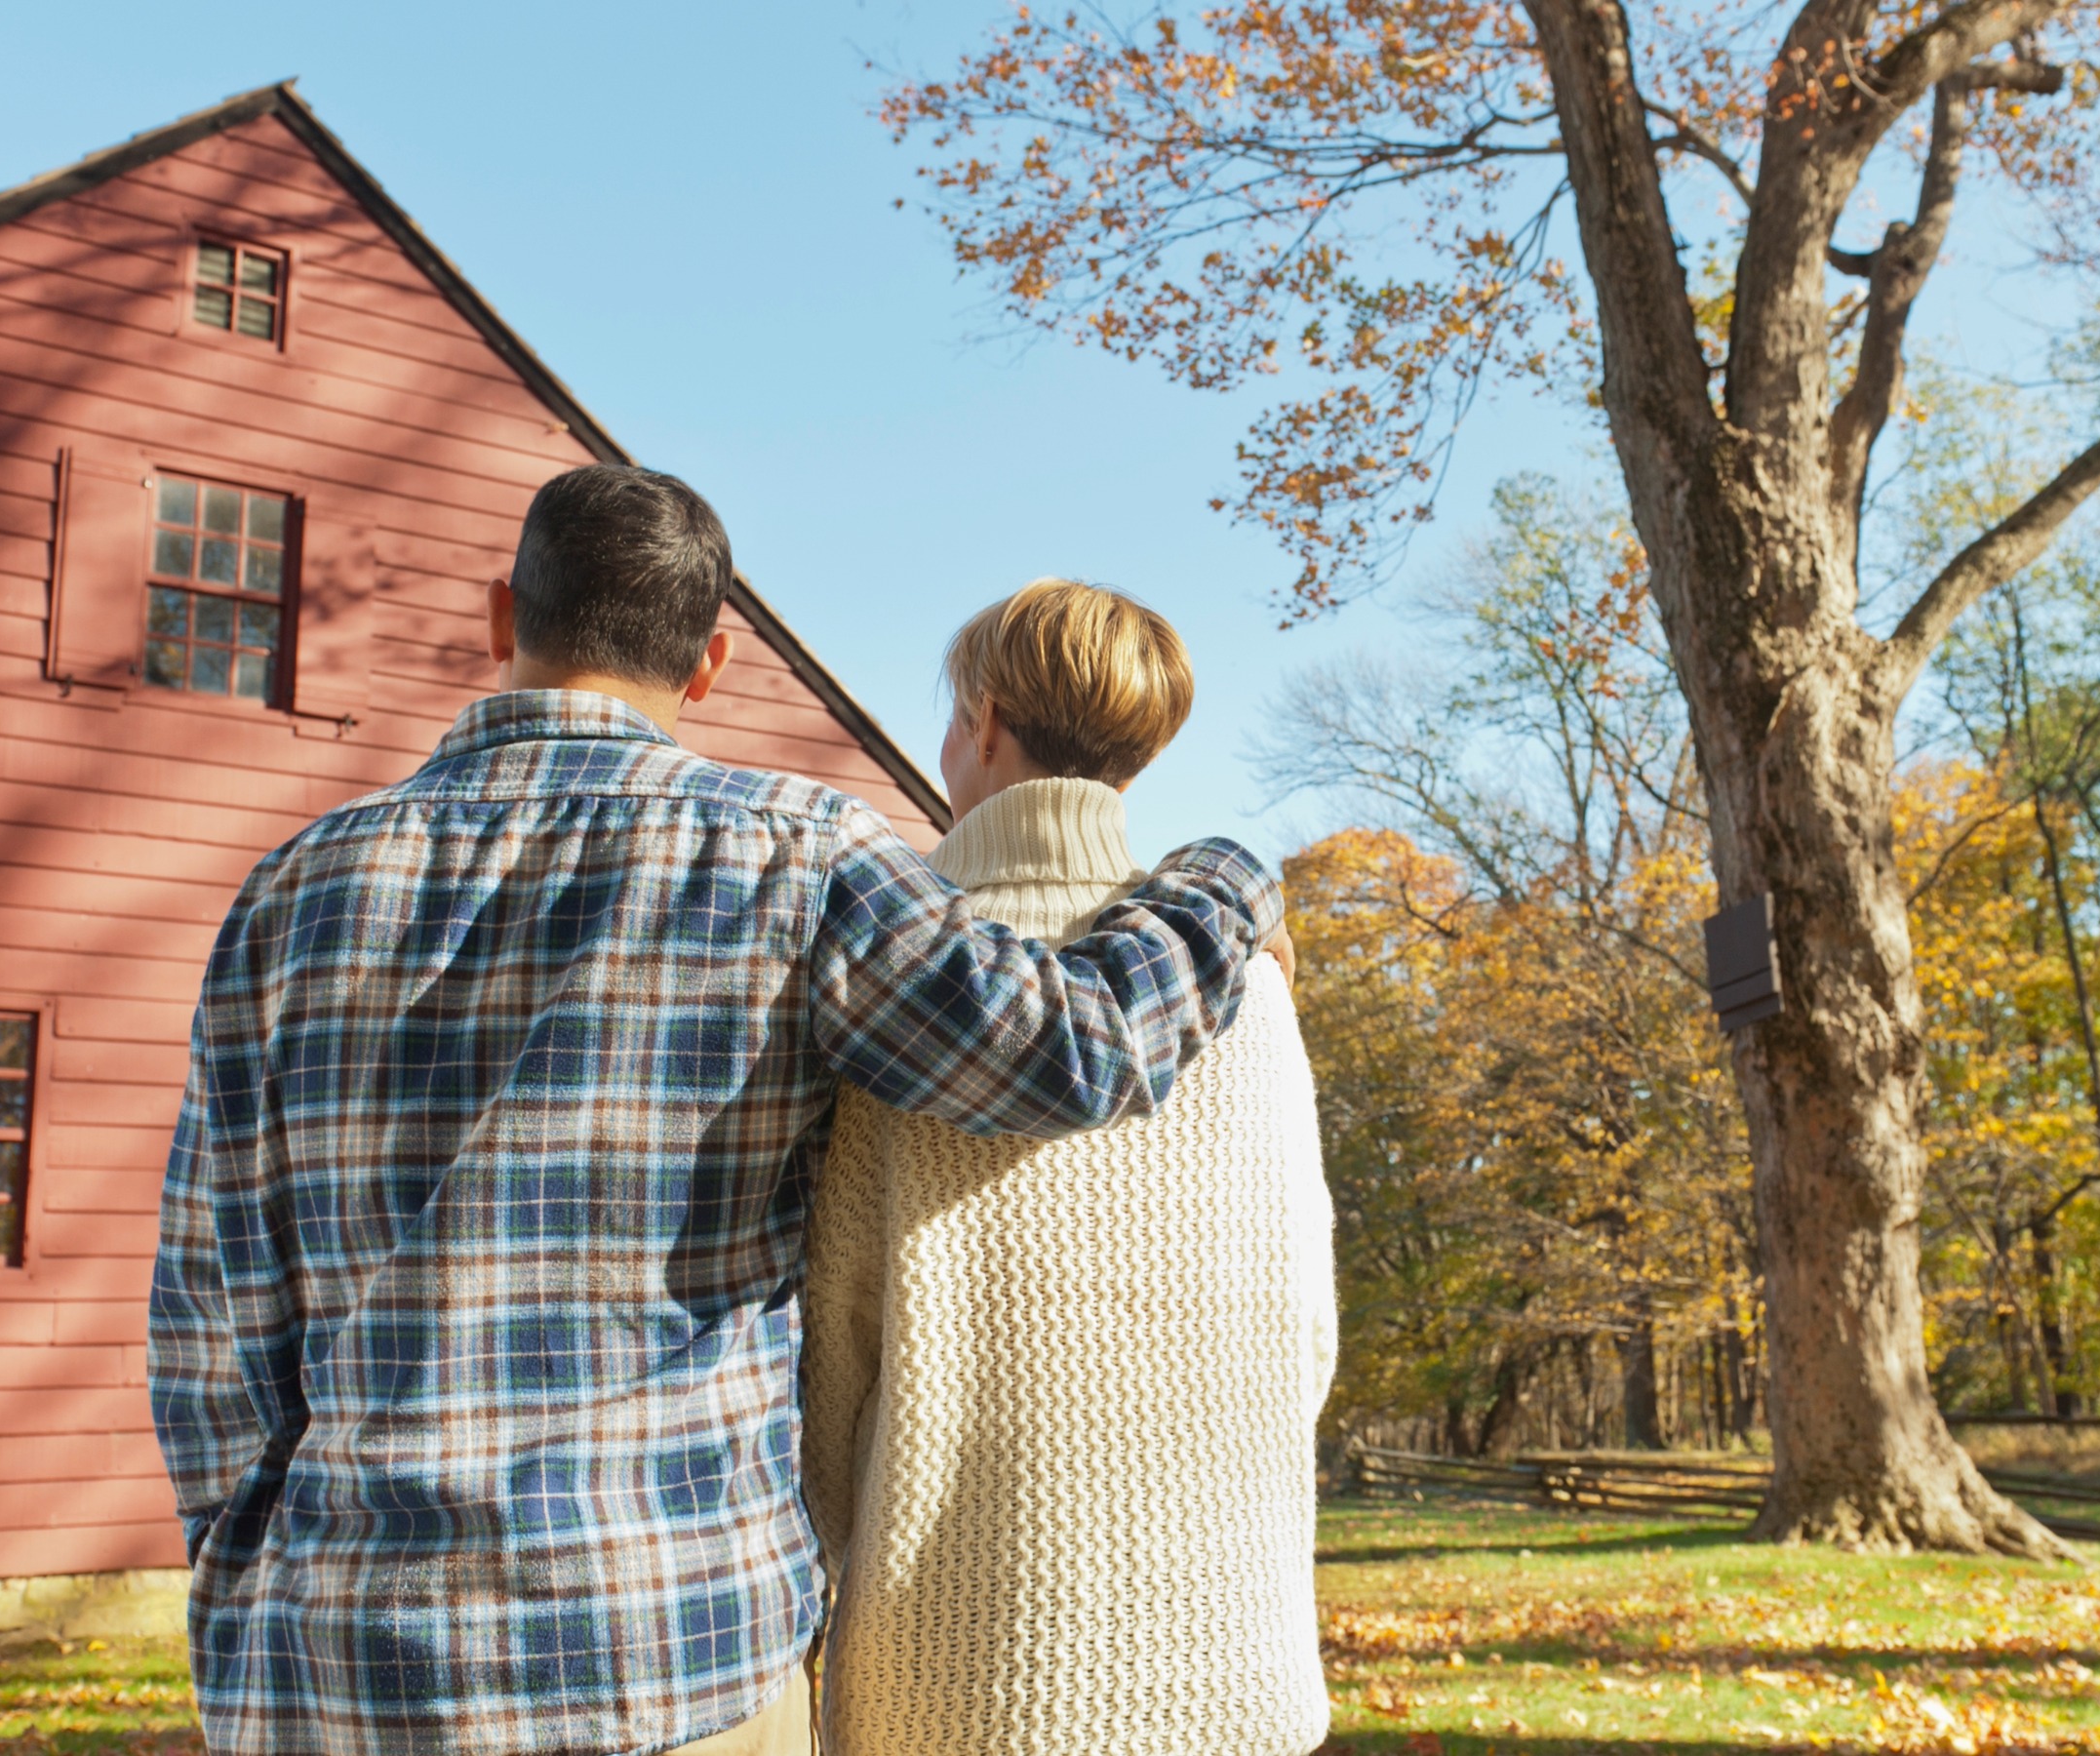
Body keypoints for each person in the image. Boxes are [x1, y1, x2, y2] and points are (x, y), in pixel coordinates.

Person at [147, 471, 1286, 1756]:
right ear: (712, 663)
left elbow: (212, 1321)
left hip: (341, 1667)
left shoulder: (292, 888)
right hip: (679, 1654)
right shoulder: (798, 857)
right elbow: (1084, 1048)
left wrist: (244, 1609)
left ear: (498, 617)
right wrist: (1229, 878)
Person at [802, 579, 1336, 1756]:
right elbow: (1307, 1333)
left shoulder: (904, 990)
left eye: (951, 719)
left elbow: (826, 1381)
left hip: (962, 1674)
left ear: (985, 722)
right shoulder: (1248, 988)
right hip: (1237, 1662)